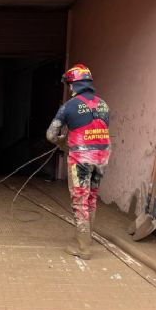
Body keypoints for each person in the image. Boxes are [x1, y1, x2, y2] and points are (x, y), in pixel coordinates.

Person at [46, 64, 111, 260]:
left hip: (81, 159)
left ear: (73, 85)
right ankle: (86, 239)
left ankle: (83, 248)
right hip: (102, 157)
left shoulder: (68, 107)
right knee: (92, 198)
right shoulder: (104, 105)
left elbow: (50, 134)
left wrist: (61, 141)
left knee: (80, 201)